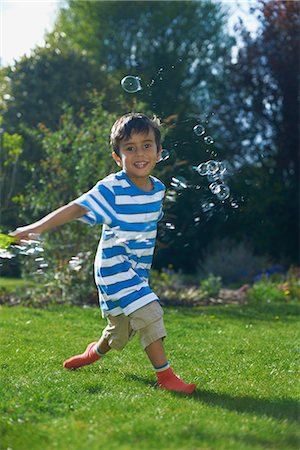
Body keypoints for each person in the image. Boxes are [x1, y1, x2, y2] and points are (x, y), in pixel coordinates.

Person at [11, 113, 196, 395]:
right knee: (149, 313)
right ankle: (166, 376)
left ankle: (94, 351)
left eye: (147, 145)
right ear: (116, 156)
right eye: (130, 148)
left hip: (136, 270)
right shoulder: (112, 189)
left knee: (121, 329)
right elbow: (77, 207)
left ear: (159, 152)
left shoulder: (157, 189)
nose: (139, 153)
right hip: (113, 268)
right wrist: (36, 228)